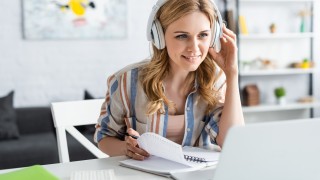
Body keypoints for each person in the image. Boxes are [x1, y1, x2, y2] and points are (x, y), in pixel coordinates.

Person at [94, 0, 244, 161]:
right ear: (159, 36)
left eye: (203, 35)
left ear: (214, 36)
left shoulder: (216, 80)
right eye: (182, 36)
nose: (194, 47)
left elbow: (233, 143)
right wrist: (126, 148)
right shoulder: (126, 81)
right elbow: (104, 137)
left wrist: (232, 72)